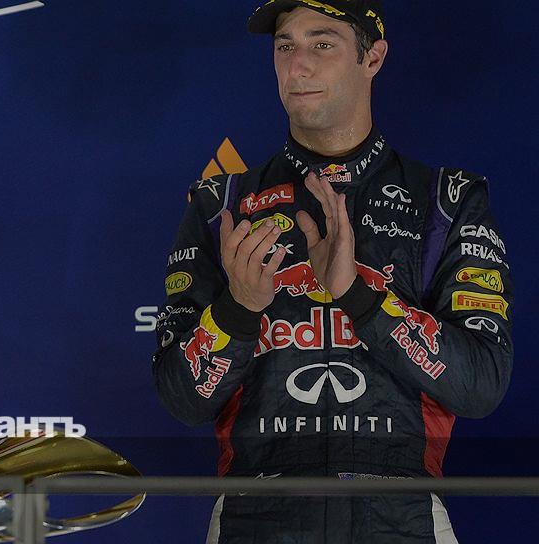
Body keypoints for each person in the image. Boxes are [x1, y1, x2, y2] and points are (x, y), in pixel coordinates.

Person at [152, 1, 513, 542]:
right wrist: (237, 311)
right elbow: (183, 400)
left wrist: (359, 296)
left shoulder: (447, 201)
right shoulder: (219, 205)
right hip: (255, 513)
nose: (298, 65)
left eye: (322, 44)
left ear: (373, 58)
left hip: (402, 515)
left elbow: (481, 385)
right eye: (285, 46)